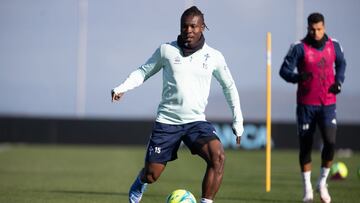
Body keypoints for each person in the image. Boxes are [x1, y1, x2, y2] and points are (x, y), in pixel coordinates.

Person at [111, 6, 244, 203]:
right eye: (184, 26)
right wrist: (123, 87)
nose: (188, 30)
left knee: (218, 157)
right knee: (151, 175)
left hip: (196, 122)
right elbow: (143, 72)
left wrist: (238, 119)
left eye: (193, 26)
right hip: (167, 122)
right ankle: (140, 182)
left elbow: (229, 87)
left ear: (202, 27)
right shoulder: (166, 50)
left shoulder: (214, 56)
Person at [279, 12, 346, 203]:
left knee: (330, 143)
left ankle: (322, 182)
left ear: (324, 27)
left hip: (328, 104)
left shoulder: (335, 45)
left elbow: (342, 64)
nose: (316, 33)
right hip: (306, 105)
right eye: (312, 29)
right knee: (306, 147)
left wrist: (339, 82)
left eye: (319, 29)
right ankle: (307, 189)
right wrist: (297, 77)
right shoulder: (299, 48)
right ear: (308, 28)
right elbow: (284, 71)